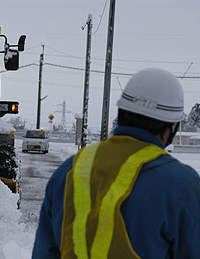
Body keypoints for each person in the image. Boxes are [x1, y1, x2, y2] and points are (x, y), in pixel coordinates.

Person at [32, 68, 200, 259]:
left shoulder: (69, 170)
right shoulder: (182, 185)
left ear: (121, 113)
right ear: (170, 128)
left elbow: (44, 252)